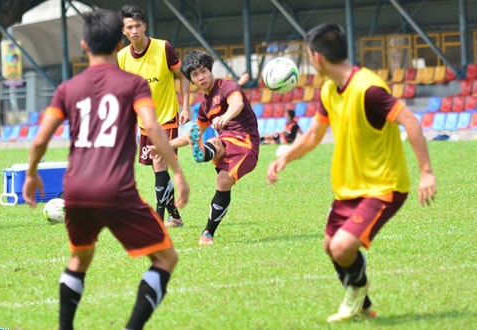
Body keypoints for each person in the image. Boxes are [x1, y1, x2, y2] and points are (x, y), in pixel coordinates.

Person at [22, 9, 189, 329]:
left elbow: (41, 139)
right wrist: (179, 174)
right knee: (166, 259)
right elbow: (153, 128)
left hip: (78, 189)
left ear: (84, 45)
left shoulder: (67, 89)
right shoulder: (133, 84)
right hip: (116, 189)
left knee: (79, 259)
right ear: (118, 44)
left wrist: (32, 173)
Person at [267, 23, 436, 323]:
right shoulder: (329, 89)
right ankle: (365, 304)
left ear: (317, 58)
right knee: (330, 247)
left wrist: (426, 173)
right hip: (349, 187)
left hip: (384, 185)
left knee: (343, 247)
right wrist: (285, 159)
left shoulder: (368, 89)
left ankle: (356, 291)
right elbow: (314, 135)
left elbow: (411, 121)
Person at [167, 50, 259, 245]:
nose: (201, 77)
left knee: (219, 159)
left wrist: (225, 117)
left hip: (246, 143)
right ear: (191, 80)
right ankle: (207, 234)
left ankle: (208, 231)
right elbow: (190, 135)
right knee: (220, 168)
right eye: (195, 75)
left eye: (203, 72)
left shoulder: (227, 86)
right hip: (226, 141)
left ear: (210, 70)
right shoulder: (204, 106)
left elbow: (237, 103)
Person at [118, 4, 191, 228]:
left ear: (144, 26)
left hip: (167, 117)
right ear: (123, 31)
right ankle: (175, 216)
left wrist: (186, 106)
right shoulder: (121, 57)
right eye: (129, 27)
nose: (134, 31)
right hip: (144, 123)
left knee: (160, 164)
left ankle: (157, 219)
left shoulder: (163, 48)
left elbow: (184, 75)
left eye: (137, 26)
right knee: (158, 171)